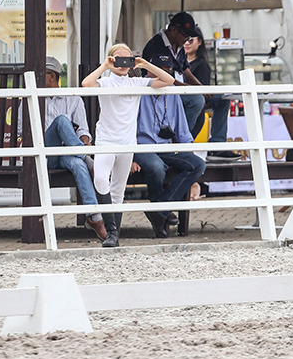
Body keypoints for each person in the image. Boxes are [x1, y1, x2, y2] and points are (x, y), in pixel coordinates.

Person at [83, 43, 175, 248]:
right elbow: (86, 84)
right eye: (118, 58)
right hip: (106, 141)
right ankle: (111, 231)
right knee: (100, 178)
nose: (122, 63)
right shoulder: (105, 82)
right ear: (111, 59)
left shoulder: (137, 82)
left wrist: (143, 63)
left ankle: (113, 235)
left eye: (127, 59)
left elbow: (168, 80)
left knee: (118, 190)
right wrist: (105, 66)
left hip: (127, 143)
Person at [130, 54, 207, 238]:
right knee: (157, 167)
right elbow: (127, 127)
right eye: (160, 70)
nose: (164, 74)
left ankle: (160, 211)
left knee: (197, 164)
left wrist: (188, 150)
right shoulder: (139, 89)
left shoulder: (172, 92)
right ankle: (162, 213)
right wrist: (130, 155)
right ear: (150, 70)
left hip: (164, 147)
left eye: (168, 71)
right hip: (142, 147)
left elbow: (182, 130)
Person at [43, 56, 107, 242]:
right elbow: (23, 132)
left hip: (68, 153)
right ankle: (89, 160)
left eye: (43, 74)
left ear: (53, 77)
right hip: (45, 153)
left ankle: (95, 218)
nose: (40, 78)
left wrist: (84, 141)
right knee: (62, 122)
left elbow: (84, 131)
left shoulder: (74, 99)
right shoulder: (32, 98)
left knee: (78, 165)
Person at [141, 12, 205, 132]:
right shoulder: (156, 45)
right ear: (174, 30)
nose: (187, 41)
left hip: (180, 89)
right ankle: (181, 139)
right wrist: (188, 88)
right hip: (162, 90)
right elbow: (163, 77)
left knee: (220, 99)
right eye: (185, 36)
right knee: (197, 101)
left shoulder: (180, 47)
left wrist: (203, 88)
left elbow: (186, 71)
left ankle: (217, 139)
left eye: (189, 38)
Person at [183, 30, 236, 159]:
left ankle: (217, 143)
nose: (186, 43)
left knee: (223, 97)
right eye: (185, 40)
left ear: (200, 42)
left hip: (195, 102)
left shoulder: (201, 65)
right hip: (185, 101)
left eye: (191, 40)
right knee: (220, 98)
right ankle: (216, 143)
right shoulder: (180, 61)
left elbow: (203, 94)